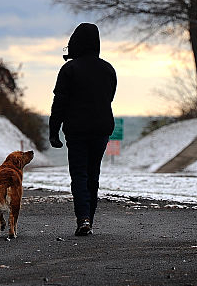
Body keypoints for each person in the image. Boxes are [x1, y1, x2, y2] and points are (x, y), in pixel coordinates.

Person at [49, 22, 117, 237]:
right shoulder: (108, 69)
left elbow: (59, 103)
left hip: (77, 130)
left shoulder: (69, 69)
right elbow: (109, 98)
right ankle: (90, 219)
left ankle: (83, 219)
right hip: (101, 129)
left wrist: (54, 131)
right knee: (93, 174)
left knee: (79, 174)